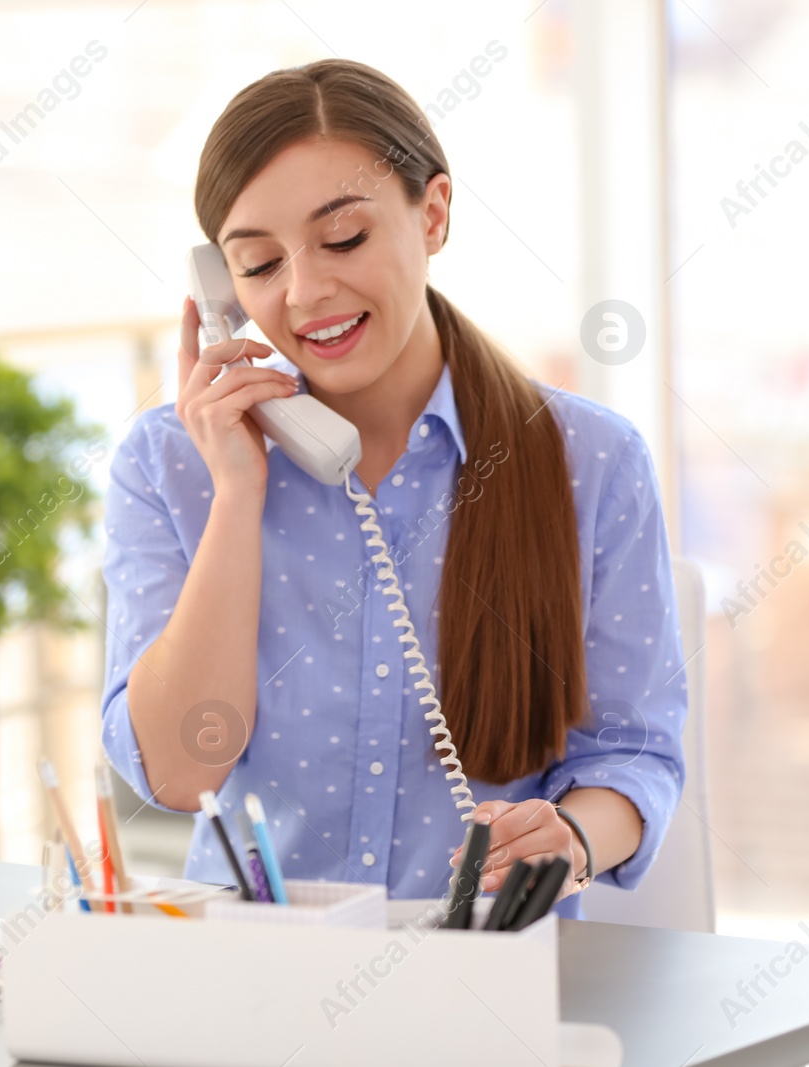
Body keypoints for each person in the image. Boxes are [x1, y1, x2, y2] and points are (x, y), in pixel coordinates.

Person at [100, 58, 686, 916]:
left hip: (489, 984)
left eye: (343, 240)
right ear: (219, 289)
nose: (305, 292)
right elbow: (184, 773)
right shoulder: (170, 465)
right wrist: (236, 496)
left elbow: (634, 753)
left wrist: (574, 835)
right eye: (259, 265)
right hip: (248, 987)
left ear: (434, 213)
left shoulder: (588, 459)